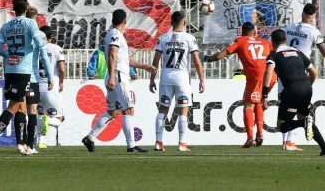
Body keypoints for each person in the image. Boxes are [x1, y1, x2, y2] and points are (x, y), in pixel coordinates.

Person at [82, 9, 157, 153]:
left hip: (115, 76)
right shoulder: (115, 34)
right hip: (118, 77)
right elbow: (111, 55)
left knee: (113, 112)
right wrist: (111, 76)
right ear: (125, 21)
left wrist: (145, 66)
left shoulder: (114, 34)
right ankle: (131, 146)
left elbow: (125, 59)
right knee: (128, 109)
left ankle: (90, 138)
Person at [202, 22, 277, 148]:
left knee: (248, 105)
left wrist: (207, 59)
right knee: (258, 102)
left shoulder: (240, 41)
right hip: (271, 76)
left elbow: (221, 55)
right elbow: (274, 56)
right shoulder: (265, 42)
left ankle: (250, 138)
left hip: (256, 78)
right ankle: (260, 134)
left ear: (242, 32)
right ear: (255, 32)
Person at [282, 3, 325, 150]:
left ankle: (286, 141)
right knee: (296, 105)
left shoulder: (289, 27)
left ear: (302, 13)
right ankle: (290, 141)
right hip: (299, 71)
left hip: (283, 68)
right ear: (314, 17)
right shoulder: (314, 32)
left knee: (285, 104)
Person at [262, 29, 325, 157]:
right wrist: (305, 87)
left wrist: (265, 95)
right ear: (286, 40)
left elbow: (268, 72)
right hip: (307, 88)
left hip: (291, 89)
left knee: (282, 126)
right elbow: (314, 73)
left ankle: (302, 124)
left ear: (273, 42)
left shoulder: (274, 54)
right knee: (304, 117)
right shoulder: (297, 52)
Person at [0, 0, 53, 156]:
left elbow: (0, 48)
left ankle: (24, 145)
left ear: (13, 8)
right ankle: (28, 144)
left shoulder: (6, 26)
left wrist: (9, 54)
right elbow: (39, 43)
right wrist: (43, 40)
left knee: (17, 107)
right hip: (25, 72)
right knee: (15, 107)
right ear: (26, 7)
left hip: (10, 70)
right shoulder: (30, 23)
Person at [150, 11, 205, 152]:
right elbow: (197, 62)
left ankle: (158, 142)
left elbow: (155, 61)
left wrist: (151, 80)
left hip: (166, 77)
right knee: (183, 111)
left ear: (170, 22)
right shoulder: (189, 38)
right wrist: (201, 80)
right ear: (185, 22)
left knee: (163, 109)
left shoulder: (163, 38)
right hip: (182, 78)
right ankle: (182, 143)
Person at [22, 6, 50, 154]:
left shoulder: (20, 30)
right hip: (32, 76)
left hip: (18, 74)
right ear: (37, 17)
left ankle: (22, 144)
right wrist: (50, 76)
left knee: (20, 110)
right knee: (33, 110)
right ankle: (30, 145)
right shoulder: (40, 34)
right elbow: (44, 57)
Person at [37, 25, 66, 149]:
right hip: (50, 86)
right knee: (59, 118)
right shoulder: (56, 48)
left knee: (40, 114)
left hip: (36, 85)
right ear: (51, 37)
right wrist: (61, 82)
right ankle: (48, 121)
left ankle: (41, 141)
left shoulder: (35, 48)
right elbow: (61, 69)